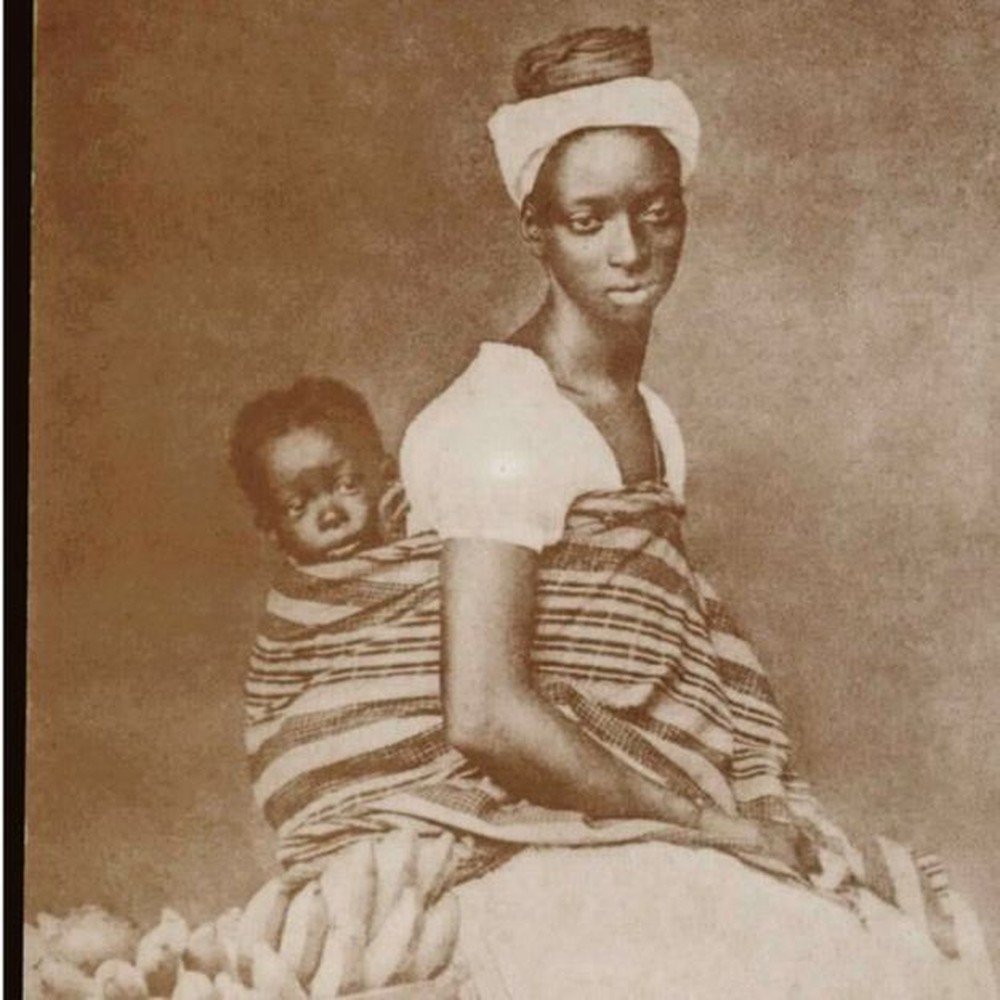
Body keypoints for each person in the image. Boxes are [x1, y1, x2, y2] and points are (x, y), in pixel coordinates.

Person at [387, 25, 996, 999]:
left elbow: (657, 650)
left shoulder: (654, 423)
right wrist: (712, 826)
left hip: (639, 822)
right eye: (588, 220)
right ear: (535, 229)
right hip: (522, 848)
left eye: (655, 212)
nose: (629, 250)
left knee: (914, 955)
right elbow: (487, 714)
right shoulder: (497, 419)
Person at [229, 376, 403, 565]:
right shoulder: (292, 586)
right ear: (272, 530)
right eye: (297, 506)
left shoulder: (428, 555)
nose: (330, 517)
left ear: (389, 476)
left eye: (348, 485)